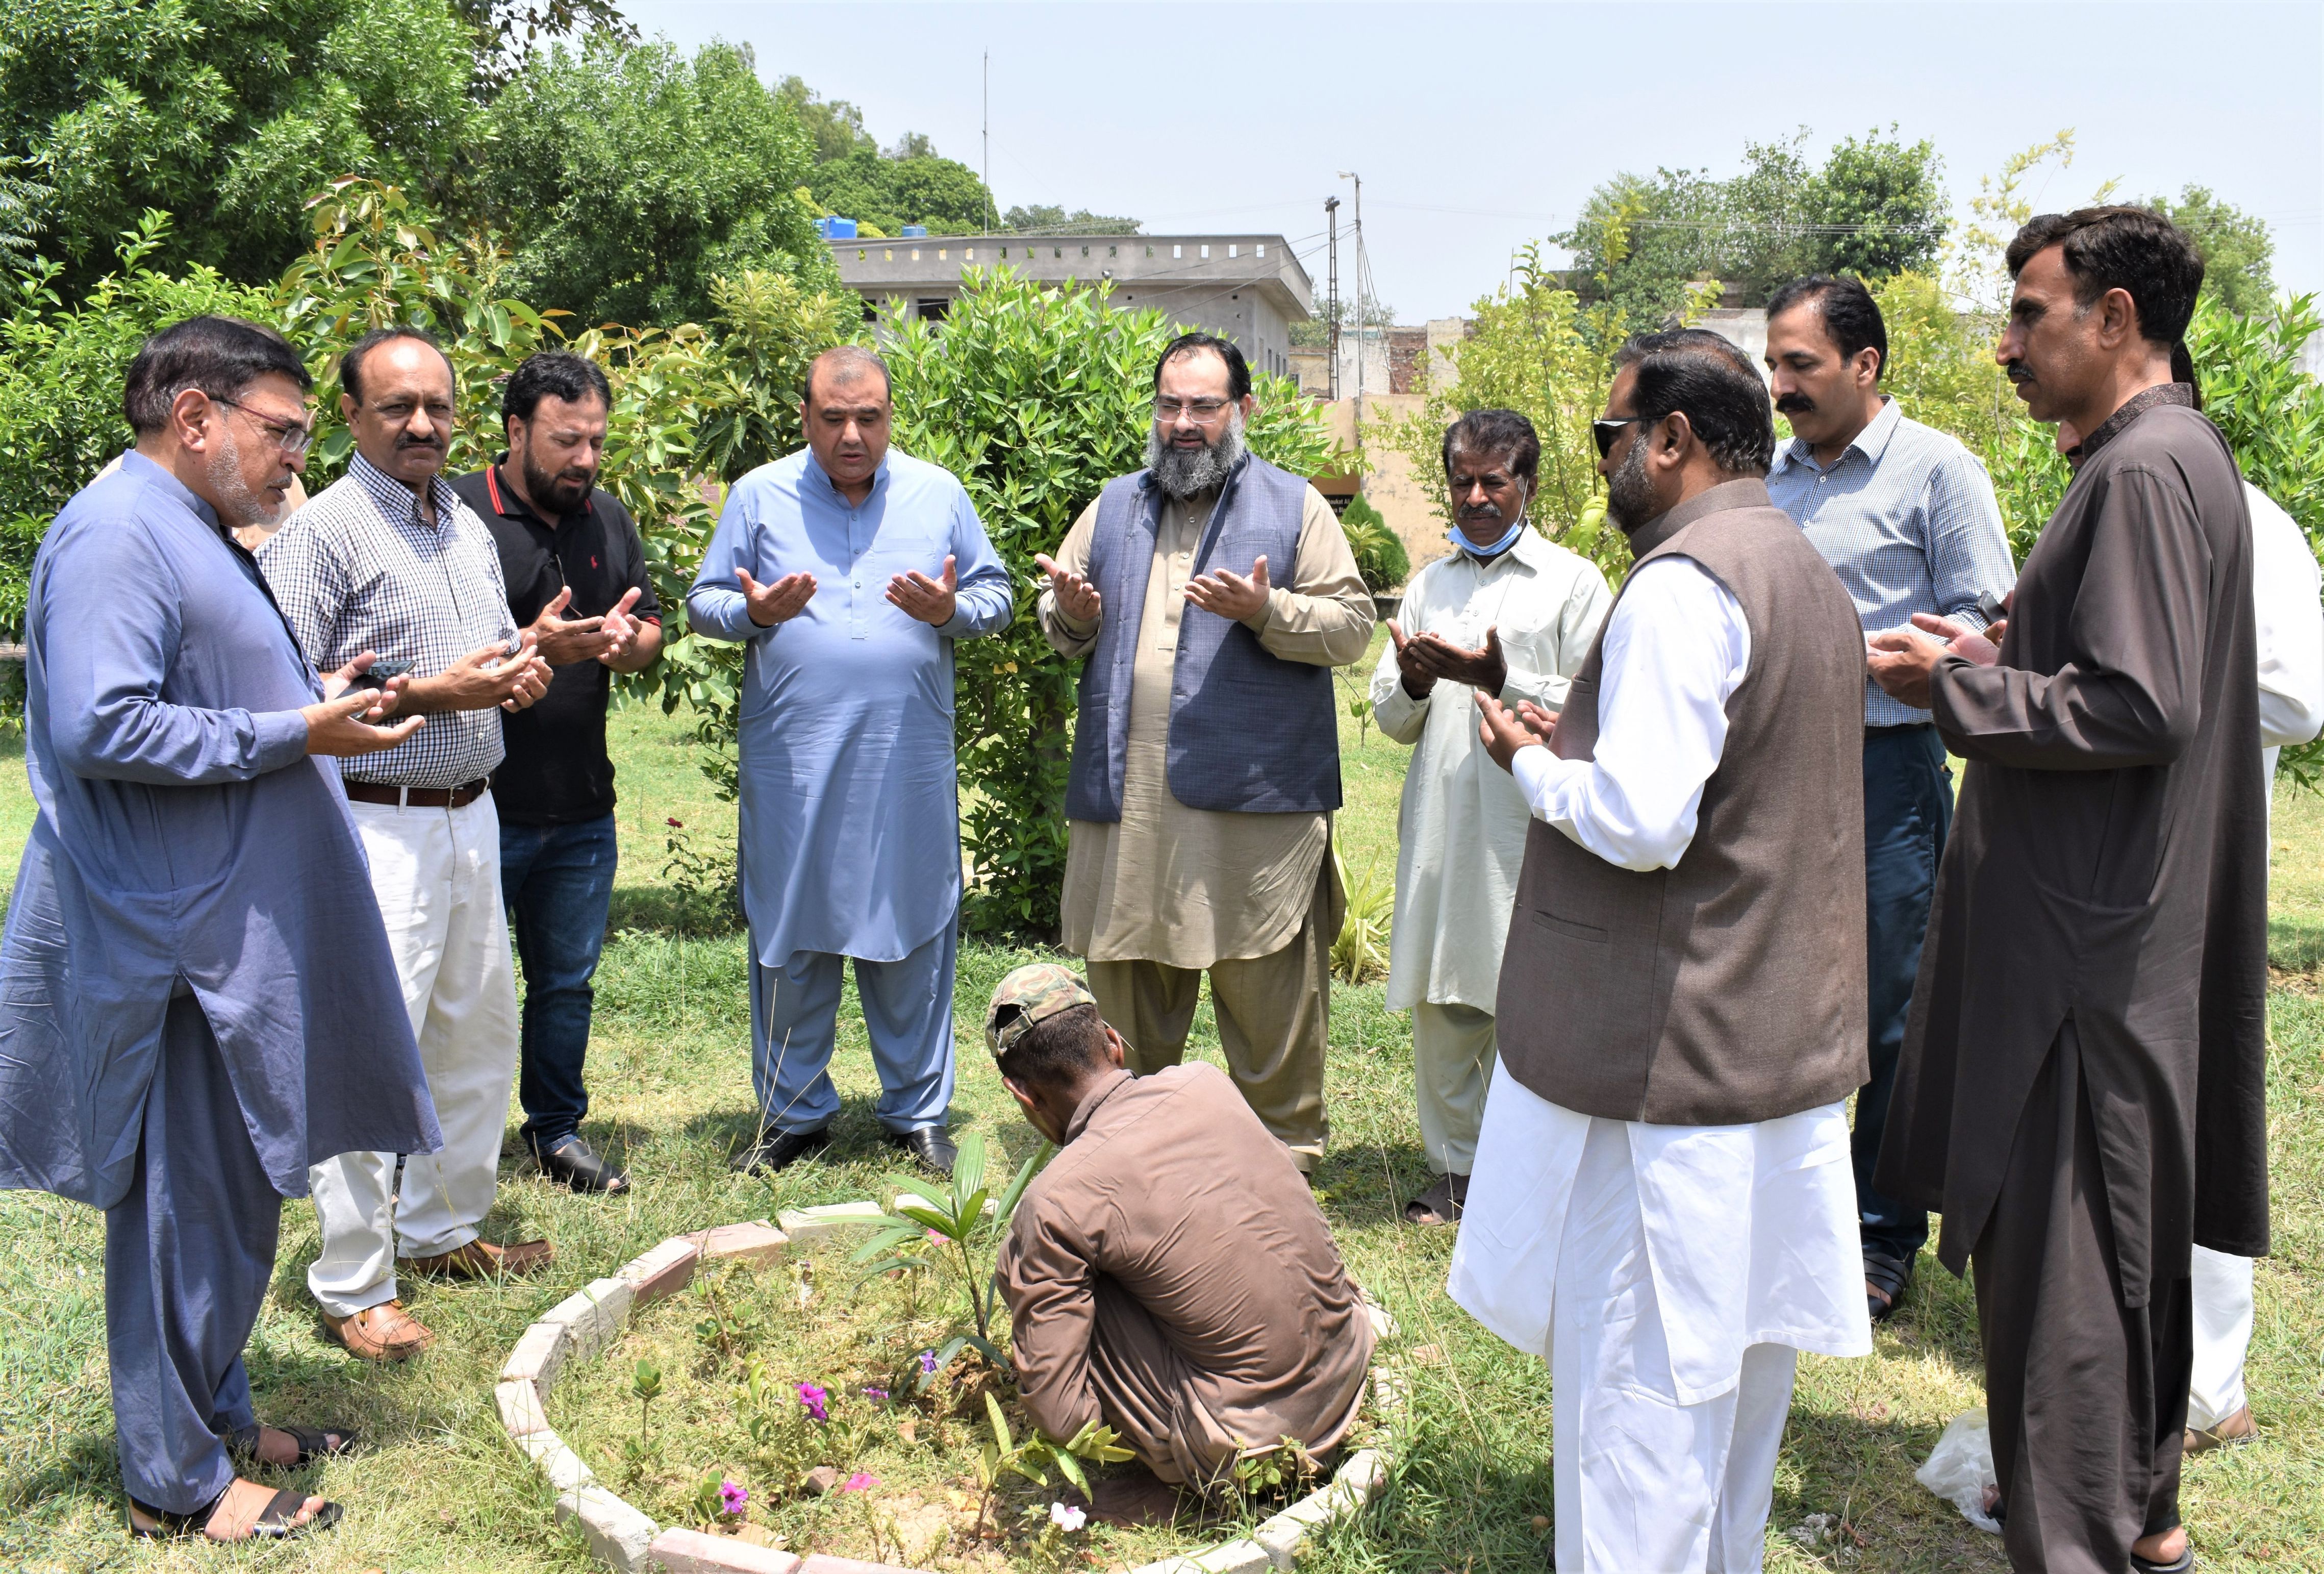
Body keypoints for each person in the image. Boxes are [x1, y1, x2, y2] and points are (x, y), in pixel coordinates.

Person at [1866, 208, 2268, 1574]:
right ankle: (2140, 1521)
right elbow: (2116, 660)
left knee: (2065, 1290)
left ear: (2112, 319)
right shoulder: (2163, 457)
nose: (2005, 346)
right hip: (2113, 933)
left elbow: (2136, 699)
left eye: (2028, 314)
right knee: (2117, 1257)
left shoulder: (2144, 471)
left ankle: (2081, 1540)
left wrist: (1952, 685)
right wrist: (2001, 641)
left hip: (2077, 962)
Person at [0, 316, 441, 1540]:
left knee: (231, 1190)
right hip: (173, 945)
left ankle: (219, 1414)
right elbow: (102, 726)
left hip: (217, 931)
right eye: (282, 432)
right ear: (192, 418)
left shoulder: (186, 526)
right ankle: (174, 1480)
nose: (296, 459)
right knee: (184, 1206)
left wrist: (307, 696)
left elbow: (192, 692)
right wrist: (298, 732)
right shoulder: (112, 534)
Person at [1449, 329, 1873, 1574]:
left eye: (1604, 437)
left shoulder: (1682, 584)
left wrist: (1525, 761)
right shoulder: (1794, 558)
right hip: (1765, 1041)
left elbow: (1641, 821)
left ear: (1670, 440)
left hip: (1666, 1066)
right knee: (1735, 1379)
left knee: (1635, 1396)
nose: (1600, 466)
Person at [261, 325, 558, 1363]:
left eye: (437, 404)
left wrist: (523, 663)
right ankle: (353, 1283)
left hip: (472, 809)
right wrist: (441, 691)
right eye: (398, 407)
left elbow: (475, 659)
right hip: (374, 821)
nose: (424, 423)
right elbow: (288, 697)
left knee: (473, 1037)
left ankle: (441, 1234)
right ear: (351, 416)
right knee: (364, 1052)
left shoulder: (462, 524)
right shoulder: (324, 534)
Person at [2051, 350, 2324, 1461]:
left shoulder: (2248, 518)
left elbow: (2298, 700)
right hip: (2104, 869)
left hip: (2206, 868)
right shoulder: (2110, 496)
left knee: (2195, 1112)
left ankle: (2208, 1380)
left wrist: (2156, 687)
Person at [1034, 333, 1374, 1172]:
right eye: (1170, 405)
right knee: (1129, 988)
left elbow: (1352, 627)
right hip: (1131, 806)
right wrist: (1072, 612)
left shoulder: (1295, 507)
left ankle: (1282, 1163)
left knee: (1267, 993)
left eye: (1205, 406)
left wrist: (1269, 611)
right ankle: (1131, 1161)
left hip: (1252, 811)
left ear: (1242, 411)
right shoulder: (1111, 506)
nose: (1185, 424)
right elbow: (1059, 621)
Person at [688, 345, 1011, 1179]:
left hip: (904, 767)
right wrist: (752, 613)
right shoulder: (760, 495)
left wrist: (953, 611)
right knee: (792, 936)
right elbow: (703, 603)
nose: (853, 435)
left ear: (889, 416)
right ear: (805, 419)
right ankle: (794, 1116)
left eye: (868, 417)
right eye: (834, 419)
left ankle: (920, 1114)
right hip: (792, 769)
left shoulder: (938, 494)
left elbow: (996, 596)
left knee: (912, 935)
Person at [1761, 273, 2017, 1323]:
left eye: (1801, 366)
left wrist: (1891, 659)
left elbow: (1987, 624)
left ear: (1866, 366)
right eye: (1772, 366)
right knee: (1781, 997)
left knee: (1885, 1009)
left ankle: (1879, 1233)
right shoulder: (1770, 478)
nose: (1779, 387)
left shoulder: (1937, 470)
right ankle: (1791, 1218)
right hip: (1774, 773)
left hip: (1887, 771)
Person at [988, 963, 1375, 1509]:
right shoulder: (1205, 1081)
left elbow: (1061, 1414)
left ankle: (1168, 1476)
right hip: (1347, 1365)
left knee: (1028, 1260)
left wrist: (1095, 1446)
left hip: (1249, 1448)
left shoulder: (1057, 1199)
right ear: (1113, 1044)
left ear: (1021, 1095)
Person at [1370, 409, 1612, 1226]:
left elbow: (1600, 711)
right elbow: (1391, 720)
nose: (1475, 497)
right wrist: (1409, 679)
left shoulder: (1573, 583)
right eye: (1463, 482)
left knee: (1531, 997)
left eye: (1493, 482)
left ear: (1528, 486)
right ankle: (1456, 1173)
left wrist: (1505, 680)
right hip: (1443, 826)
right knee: (1446, 1005)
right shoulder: (1431, 582)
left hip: (1529, 828)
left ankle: (1538, 1177)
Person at [448, 351, 663, 1197]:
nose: (585, 460)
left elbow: (646, 630)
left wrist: (626, 643)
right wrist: (531, 646)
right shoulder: (459, 516)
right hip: (475, 805)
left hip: (581, 806)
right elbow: (429, 655)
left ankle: (556, 1132)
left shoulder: (607, 518)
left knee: (565, 986)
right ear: (514, 431)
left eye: (596, 442)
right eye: (566, 440)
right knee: (458, 989)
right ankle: (439, 1146)